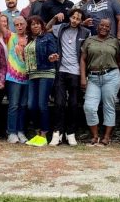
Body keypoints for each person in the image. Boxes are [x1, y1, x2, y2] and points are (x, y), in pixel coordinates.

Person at [48, 9, 90, 146]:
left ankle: (70, 133)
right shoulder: (61, 28)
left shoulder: (85, 32)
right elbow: (46, 28)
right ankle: (57, 132)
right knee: (59, 103)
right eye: (73, 17)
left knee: (73, 104)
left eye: (78, 19)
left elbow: (87, 53)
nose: (75, 20)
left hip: (76, 72)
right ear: (69, 17)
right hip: (61, 70)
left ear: (81, 20)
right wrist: (55, 17)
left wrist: (85, 75)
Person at [80, 18, 120, 146]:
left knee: (109, 106)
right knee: (89, 107)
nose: (104, 28)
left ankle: (107, 137)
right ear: (97, 27)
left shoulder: (114, 41)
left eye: (107, 26)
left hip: (111, 76)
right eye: (101, 25)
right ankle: (95, 135)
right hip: (93, 78)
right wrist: (83, 78)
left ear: (110, 28)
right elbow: (83, 60)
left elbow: (119, 60)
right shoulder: (89, 40)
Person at [24, 16, 57, 147]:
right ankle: (37, 133)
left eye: (37, 24)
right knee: (31, 105)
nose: (35, 26)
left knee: (42, 104)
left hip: (46, 72)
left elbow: (52, 52)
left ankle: (43, 135)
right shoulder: (29, 39)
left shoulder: (48, 37)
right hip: (32, 74)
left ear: (42, 25)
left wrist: (52, 56)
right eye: (32, 24)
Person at [0, 15, 29, 144]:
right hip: (13, 76)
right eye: (16, 25)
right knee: (14, 105)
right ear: (13, 26)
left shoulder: (30, 38)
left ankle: (21, 131)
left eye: (22, 24)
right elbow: (0, 26)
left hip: (27, 76)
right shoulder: (10, 36)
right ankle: (11, 132)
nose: (19, 26)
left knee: (23, 105)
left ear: (26, 24)